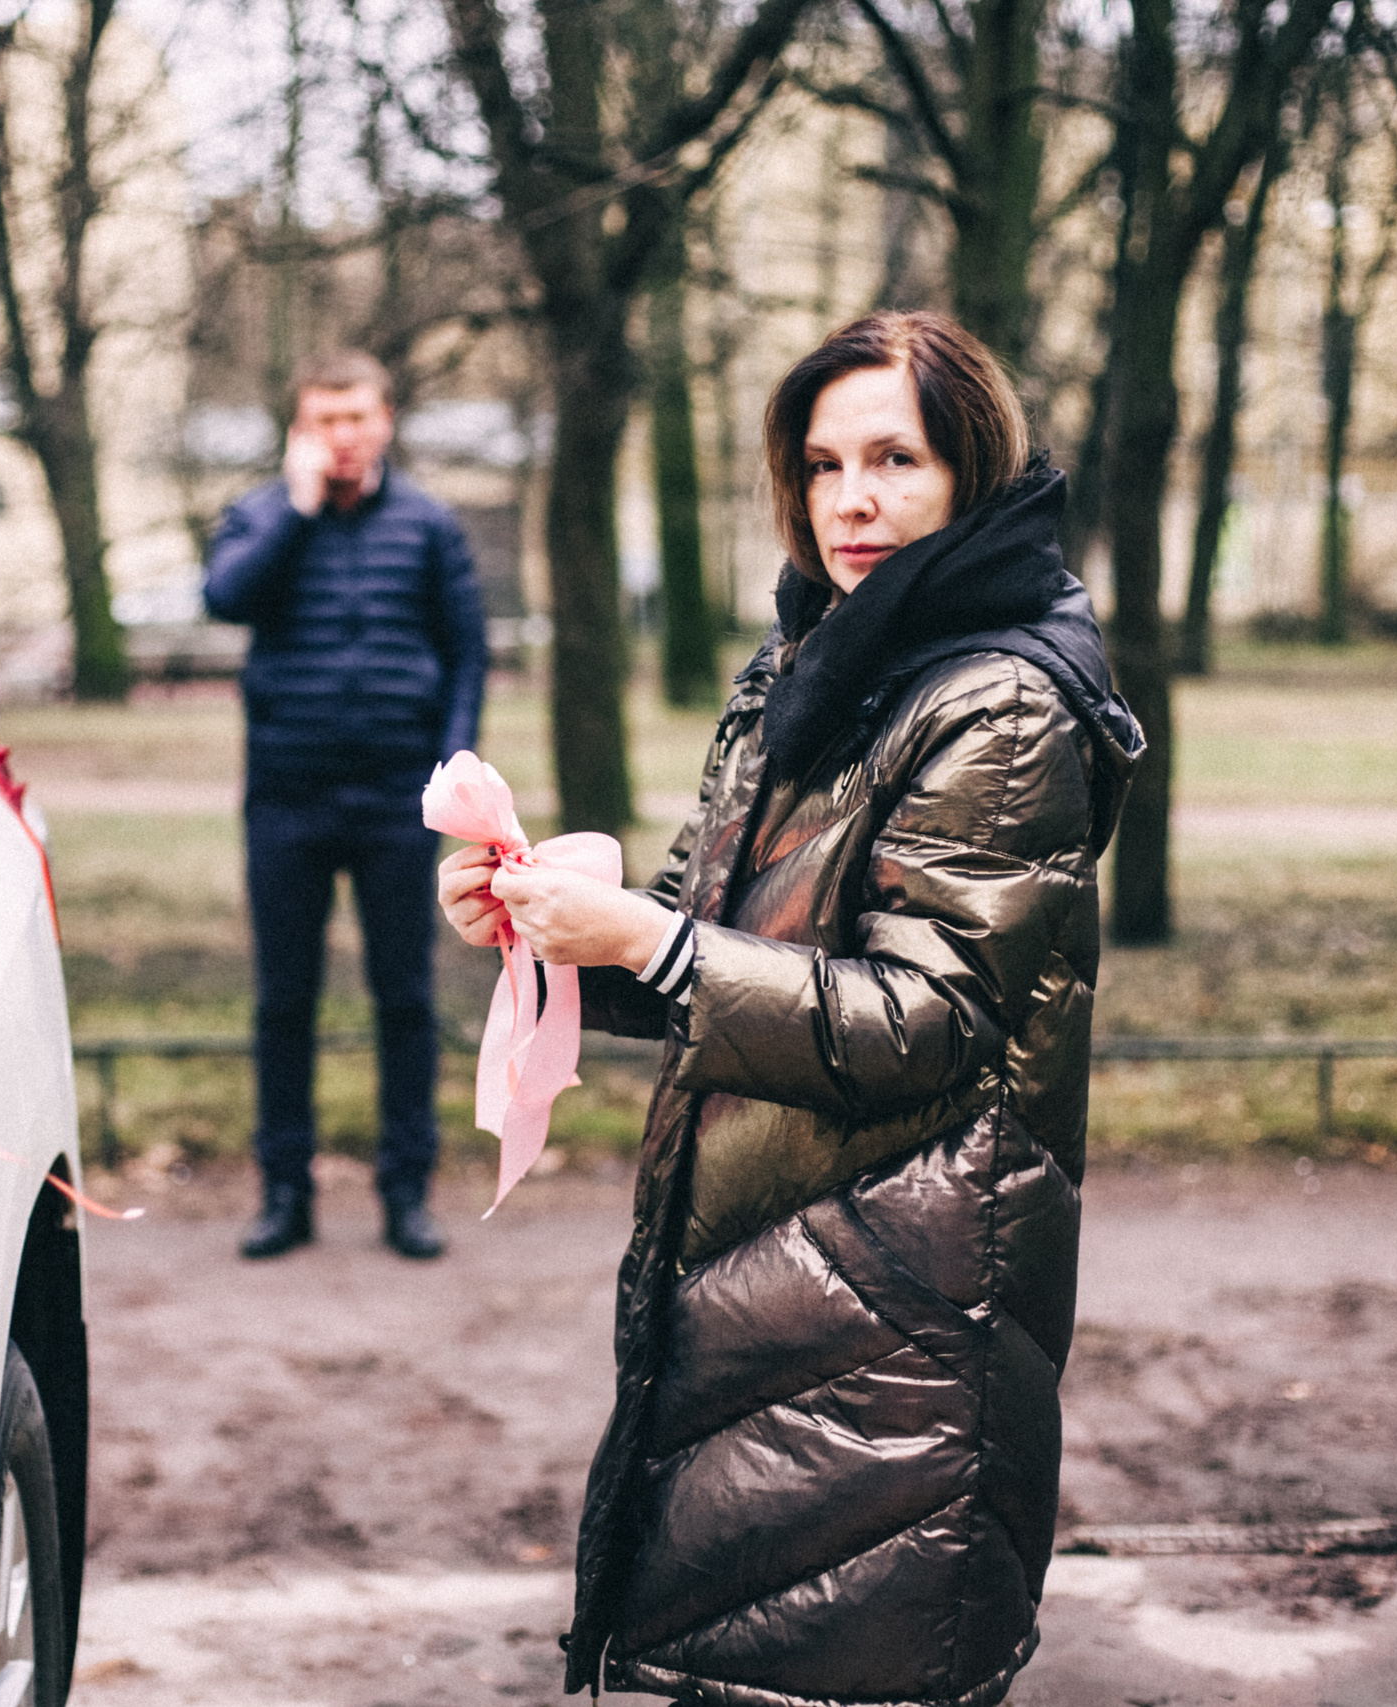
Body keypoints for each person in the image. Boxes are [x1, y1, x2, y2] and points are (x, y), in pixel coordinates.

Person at [438, 311, 1144, 1704]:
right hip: (767, 1282)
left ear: (973, 472)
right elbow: (721, 935)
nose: (851, 501)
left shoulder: (1000, 705)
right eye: (823, 465)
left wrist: (648, 943)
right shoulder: (817, 661)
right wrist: (552, 933)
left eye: (894, 459)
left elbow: (927, 1021)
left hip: (901, 1313)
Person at [205, 351, 488, 1261]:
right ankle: (284, 1194)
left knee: (405, 999)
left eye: (357, 416)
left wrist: (451, 767)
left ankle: (407, 1192)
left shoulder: (430, 525)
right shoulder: (260, 515)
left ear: (385, 421)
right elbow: (224, 597)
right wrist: (295, 509)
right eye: (325, 419)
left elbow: (467, 653)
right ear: (300, 430)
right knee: (283, 1002)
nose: (343, 435)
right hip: (285, 797)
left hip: (398, 802)